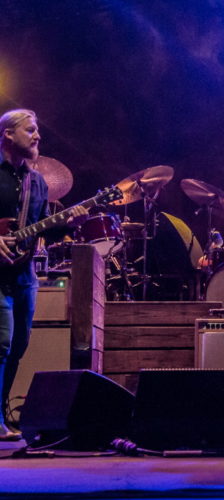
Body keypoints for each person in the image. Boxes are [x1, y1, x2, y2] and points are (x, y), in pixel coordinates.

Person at [0, 109, 86, 440]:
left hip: (25, 277)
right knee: (2, 342)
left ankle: (2, 411)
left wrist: (68, 225)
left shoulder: (37, 182)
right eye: (30, 130)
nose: (37, 136)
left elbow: (40, 234)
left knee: (18, 346)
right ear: (8, 134)